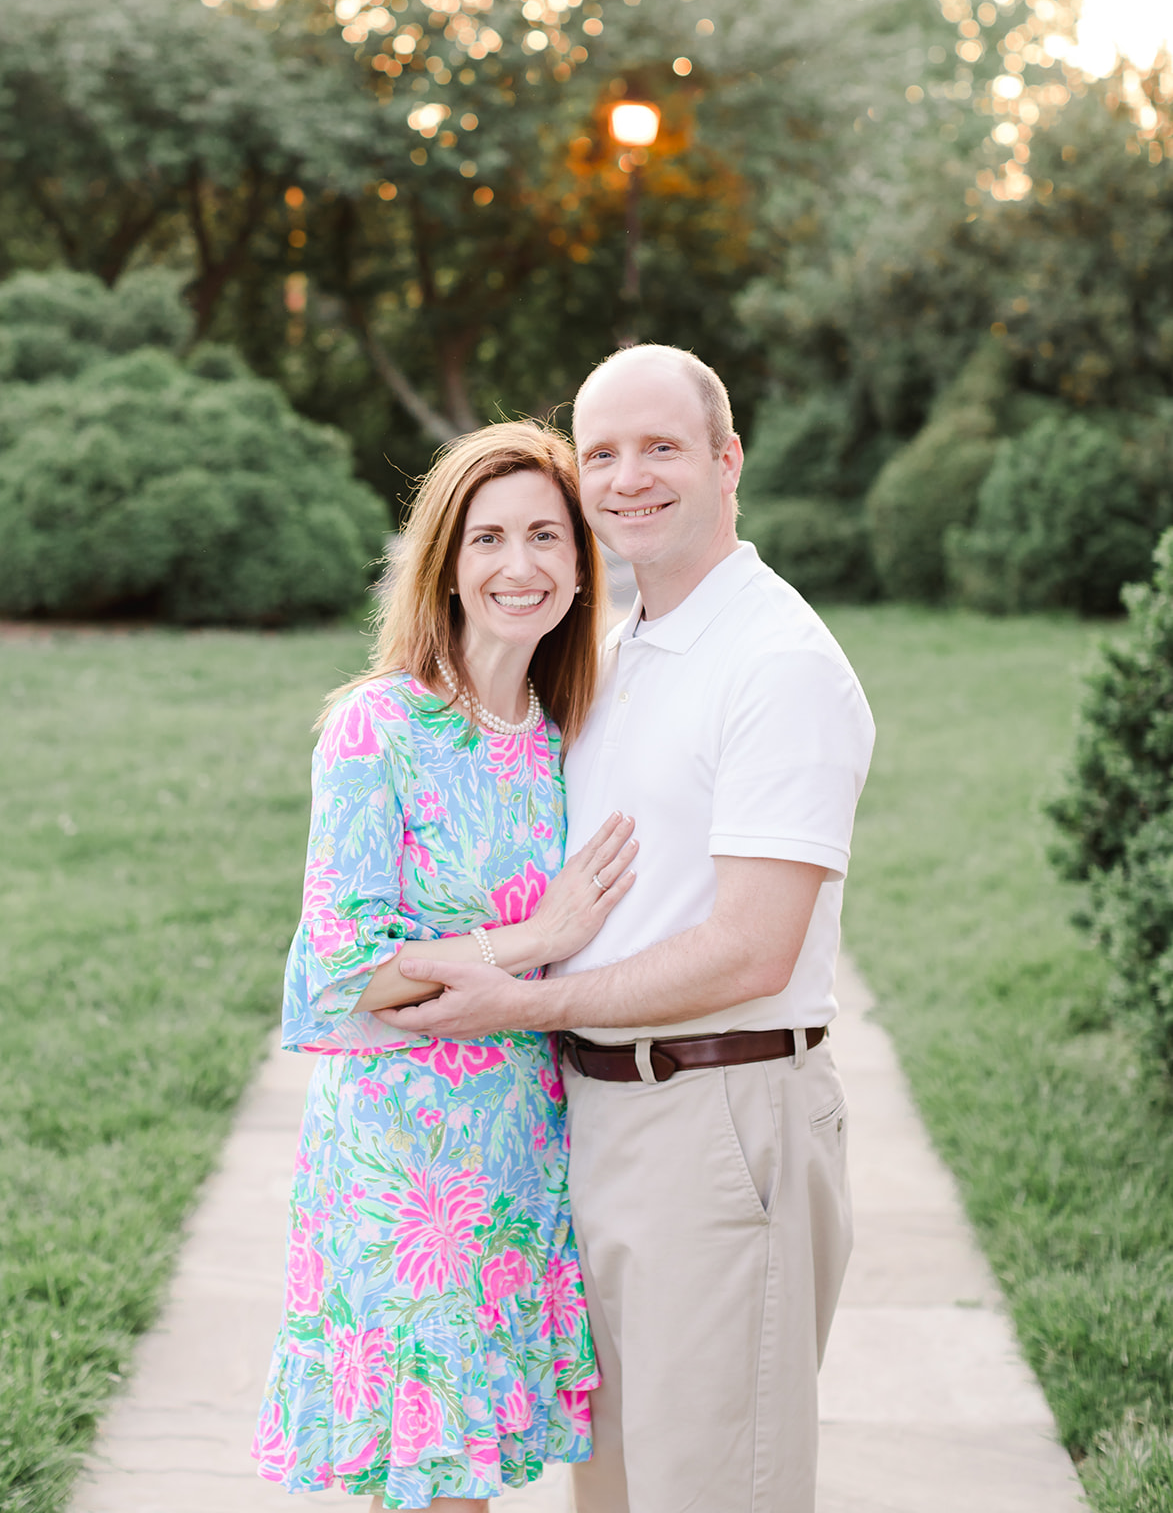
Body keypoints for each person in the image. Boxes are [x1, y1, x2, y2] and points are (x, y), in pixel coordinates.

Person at [380, 345, 876, 1513]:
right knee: (611, 1492)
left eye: (662, 447)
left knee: (712, 1490)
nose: (628, 478)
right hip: (594, 1120)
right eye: (600, 452)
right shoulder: (621, 645)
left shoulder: (777, 661)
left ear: (726, 459)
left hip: (718, 1119)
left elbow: (752, 946)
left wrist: (525, 1000)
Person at [251, 420, 641, 1512]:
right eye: (487, 540)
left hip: (523, 1145)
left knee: (475, 1477)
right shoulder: (382, 726)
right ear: (448, 564)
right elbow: (342, 969)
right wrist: (531, 939)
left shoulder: (569, 732)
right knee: (433, 1485)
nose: (519, 566)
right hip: (405, 1161)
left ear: (578, 562)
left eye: (545, 537)